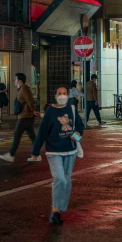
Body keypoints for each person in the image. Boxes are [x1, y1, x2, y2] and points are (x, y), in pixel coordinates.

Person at [30, 86, 84, 225]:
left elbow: (79, 125)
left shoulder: (71, 109)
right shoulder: (50, 111)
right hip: (53, 151)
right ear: (55, 95)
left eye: (64, 93)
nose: (62, 96)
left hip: (70, 151)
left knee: (67, 181)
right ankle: (55, 210)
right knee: (60, 179)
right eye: (59, 93)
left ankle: (59, 209)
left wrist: (78, 132)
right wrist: (35, 151)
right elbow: (42, 132)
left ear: (68, 95)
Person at [0, 72, 38, 163]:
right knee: (32, 136)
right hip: (26, 115)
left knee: (17, 134)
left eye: (16, 79)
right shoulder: (22, 88)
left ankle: (11, 154)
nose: (15, 81)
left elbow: (30, 101)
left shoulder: (24, 89)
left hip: (25, 116)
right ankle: (37, 154)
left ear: (20, 81)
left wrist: (33, 110)